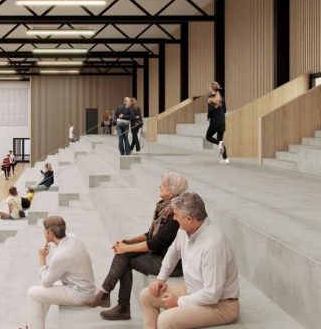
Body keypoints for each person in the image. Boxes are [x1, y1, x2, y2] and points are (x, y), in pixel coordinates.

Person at [83, 172, 188, 320]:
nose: (159, 186)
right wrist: (128, 241)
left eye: (163, 185)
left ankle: (111, 299)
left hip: (173, 264)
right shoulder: (165, 208)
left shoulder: (174, 214)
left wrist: (126, 248)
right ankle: (111, 300)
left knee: (124, 255)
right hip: (160, 255)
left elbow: (155, 242)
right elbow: (151, 234)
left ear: (171, 192)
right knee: (124, 255)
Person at [140, 192, 239, 329]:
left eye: (176, 215)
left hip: (220, 305)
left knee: (166, 320)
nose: (174, 218)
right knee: (146, 295)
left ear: (189, 218)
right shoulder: (185, 230)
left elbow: (212, 294)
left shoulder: (213, 245)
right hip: (194, 292)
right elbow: (173, 252)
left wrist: (179, 302)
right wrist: (161, 278)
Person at [25, 216, 96, 329]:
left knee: (32, 293)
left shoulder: (61, 255)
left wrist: (42, 257)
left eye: (44, 231)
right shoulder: (73, 238)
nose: (43, 233)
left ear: (50, 233)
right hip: (86, 287)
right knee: (42, 292)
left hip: (80, 294)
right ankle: (31, 326)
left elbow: (45, 282)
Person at [206, 82, 229, 164]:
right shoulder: (222, 97)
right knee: (220, 140)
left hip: (214, 122)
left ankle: (219, 143)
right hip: (222, 121)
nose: (209, 88)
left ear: (212, 88)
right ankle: (225, 159)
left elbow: (210, 110)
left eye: (209, 87)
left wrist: (208, 116)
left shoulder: (210, 98)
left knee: (208, 137)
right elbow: (225, 110)